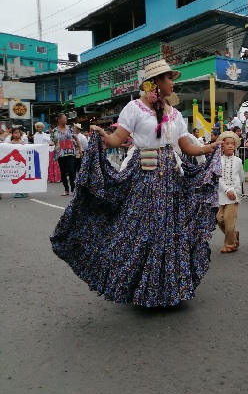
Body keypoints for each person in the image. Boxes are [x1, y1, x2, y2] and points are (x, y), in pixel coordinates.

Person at [50, 60, 223, 307]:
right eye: (169, 79)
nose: (173, 83)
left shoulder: (174, 114)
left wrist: (210, 147)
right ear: (157, 82)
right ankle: (142, 287)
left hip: (171, 179)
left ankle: (168, 289)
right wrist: (102, 136)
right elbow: (116, 140)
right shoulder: (134, 108)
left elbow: (185, 146)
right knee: (145, 232)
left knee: (169, 232)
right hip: (145, 179)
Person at [216, 131, 244, 253]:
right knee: (219, 219)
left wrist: (234, 190)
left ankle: (230, 244)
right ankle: (233, 235)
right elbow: (218, 178)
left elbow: (241, 177)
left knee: (229, 219)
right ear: (222, 146)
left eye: (232, 143)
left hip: (234, 195)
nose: (230, 146)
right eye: (227, 143)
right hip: (223, 194)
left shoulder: (238, 161)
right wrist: (227, 190)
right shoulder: (218, 161)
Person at [51, 113, 83, 196]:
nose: (65, 120)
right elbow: (52, 141)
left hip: (70, 152)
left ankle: (73, 188)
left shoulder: (70, 129)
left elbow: (76, 138)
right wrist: (50, 144)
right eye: (64, 119)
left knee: (71, 171)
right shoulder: (55, 130)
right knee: (63, 172)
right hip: (60, 153)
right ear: (59, 119)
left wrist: (80, 149)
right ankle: (66, 189)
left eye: (66, 119)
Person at [7, 128, 29, 198]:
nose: (17, 134)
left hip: (22, 163)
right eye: (15, 133)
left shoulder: (24, 143)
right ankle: (17, 191)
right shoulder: (9, 144)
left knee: (23, 176)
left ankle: (24, 191)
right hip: (14, 164)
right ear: (12, 134)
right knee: (15, 176)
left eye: (18, 133)